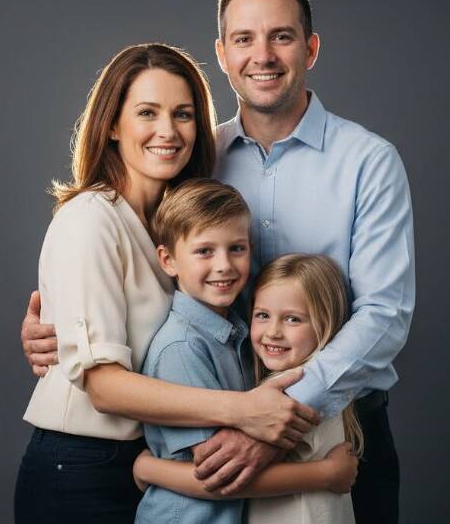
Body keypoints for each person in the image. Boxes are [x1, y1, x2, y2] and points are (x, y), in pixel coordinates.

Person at [21, 0, 415, 523]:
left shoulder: (367, 162)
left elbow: (384, 315)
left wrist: (277, 415)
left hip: (338, 425)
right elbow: (144, 281)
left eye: (281, 36)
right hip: (209, 437)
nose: (263, 56)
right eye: (244, 39)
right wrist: (59, 331)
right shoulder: (195, 162)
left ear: (310, 48)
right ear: (223, 54)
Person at [13, 43, 319, 524]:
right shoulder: (90, 220)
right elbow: (104, 388)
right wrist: (243, 410)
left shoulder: (184, 228)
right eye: (147, 113)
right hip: (81, 467)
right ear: (112, 125)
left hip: (150, 462)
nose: (168, 131)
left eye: (183, 114)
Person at [134, 181, 358, 524]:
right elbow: (221, 473)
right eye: (205, 251)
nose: (224, 265)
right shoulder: (181, 347)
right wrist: (325, 475)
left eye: (236, 248)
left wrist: (147, 467)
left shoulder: (241, 333)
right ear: (168, 260)